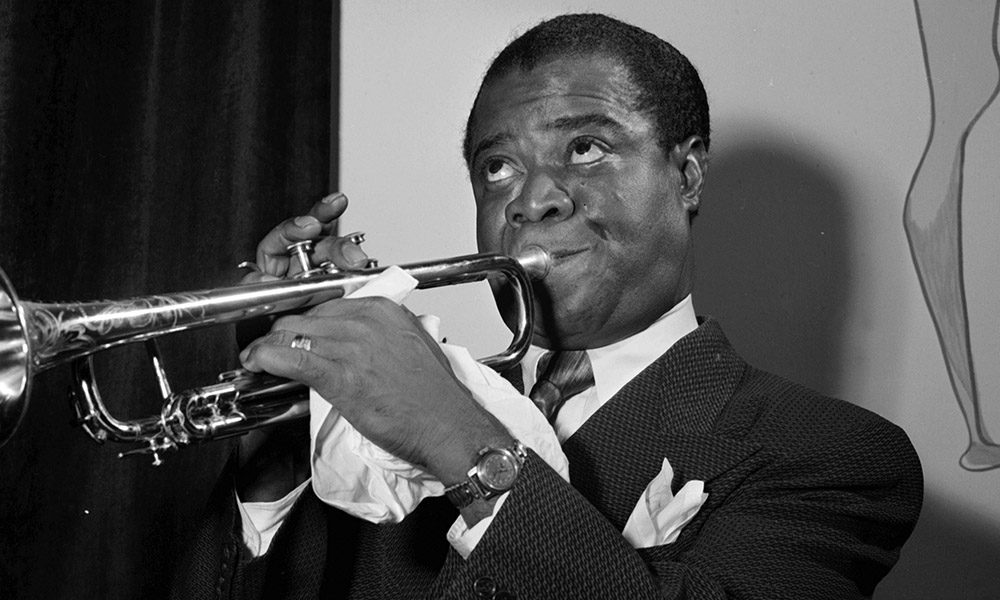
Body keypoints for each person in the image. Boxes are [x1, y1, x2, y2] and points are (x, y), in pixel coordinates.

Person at [173, 13, 922, 599]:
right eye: (497, 168)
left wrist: (456, 437)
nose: (530, 199)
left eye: (587, 148)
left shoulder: (836, 456)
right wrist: (274, 456)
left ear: (688, 176)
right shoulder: (373, 441)